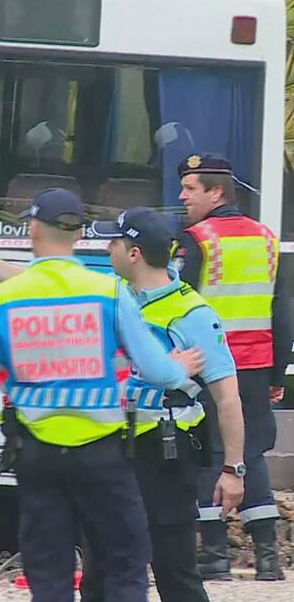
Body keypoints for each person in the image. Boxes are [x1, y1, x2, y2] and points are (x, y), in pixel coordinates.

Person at [0, 188, 203, 601]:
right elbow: (157, 370)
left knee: (49, 573)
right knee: (124, 562)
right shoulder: (106, 291)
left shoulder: (4, 297)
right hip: (103, 454)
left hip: (37, 455)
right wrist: (181, 369)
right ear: (79, 234)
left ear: (33, 230)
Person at [78, 207, 245, 602]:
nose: (107, 249)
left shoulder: (193, 314)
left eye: (114, 242)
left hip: (167, 455)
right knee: (100, 569)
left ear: (134, 253)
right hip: (112, 446)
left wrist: (233, 470)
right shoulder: (111, 295)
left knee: (174, 569)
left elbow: (227, 396)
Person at [174, 153, 292, 581]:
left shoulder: (196, 239)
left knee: (210, 453)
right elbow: (281, 312)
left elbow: (177, 303)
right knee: (251, 454)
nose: (182, 196)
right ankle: (267, 558)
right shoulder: (265, 238)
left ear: (216, 191)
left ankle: (215, 558)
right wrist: (278, 373)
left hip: (208, 365)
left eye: (191, 188)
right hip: (257, 365)